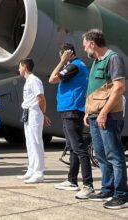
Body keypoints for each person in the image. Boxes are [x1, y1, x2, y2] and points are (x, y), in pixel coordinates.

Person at [82, 29, 128, 209]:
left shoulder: (113, 58)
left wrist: (103, 112)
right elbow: (93, 89)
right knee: (101, 154)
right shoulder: (96, 62)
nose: (85, 48)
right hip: (94, 115)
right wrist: (88, 111)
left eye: (85, 45)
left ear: (92, 44)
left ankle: (121, 194)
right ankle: (107, 188)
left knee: (114, 155)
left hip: (108, 116)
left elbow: (119, 88)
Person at [49, 43, 94, 199]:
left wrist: (62, 61)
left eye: (62, 55)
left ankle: (88, 185)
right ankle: (72, 180)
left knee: (79, 148)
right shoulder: (75, 66)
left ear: (67, 53)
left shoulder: (74, 66)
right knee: (73, 147)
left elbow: (52, 79)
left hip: (72, 109)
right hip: (69, 109)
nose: (60, 58)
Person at [17, 58, 49, 184]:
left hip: (34, 113)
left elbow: (41, 98)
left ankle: (39, 173)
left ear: (25, 67)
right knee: (30, 143)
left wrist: (42, 114)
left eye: (20, 67)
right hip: (28, 113)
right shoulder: (28, 81)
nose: (18, 69)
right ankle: (31, 169)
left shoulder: (34, 80)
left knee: (36, 143)